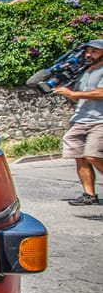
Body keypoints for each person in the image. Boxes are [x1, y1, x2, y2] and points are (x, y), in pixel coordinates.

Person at [53, 39, 103, 206]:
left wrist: (74, 94)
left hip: (99, 120)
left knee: (93, 154)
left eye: (94, 51)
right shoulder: (83, 71)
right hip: (80, 119)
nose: (89, 54)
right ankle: (89, 194)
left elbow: (101, 93)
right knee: (79, 156)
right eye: (88, 51)